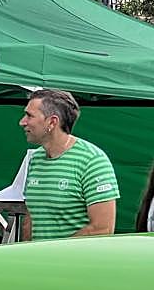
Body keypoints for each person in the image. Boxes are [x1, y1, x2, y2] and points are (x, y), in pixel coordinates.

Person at [19, 89, 119, 241]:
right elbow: (32, 216)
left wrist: (53, 253)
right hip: (39, 261)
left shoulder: (92, 160)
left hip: (75, 262)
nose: (22, 122)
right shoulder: (36, 158)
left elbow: (102, 229)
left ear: (52, 122)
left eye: (29, 116)